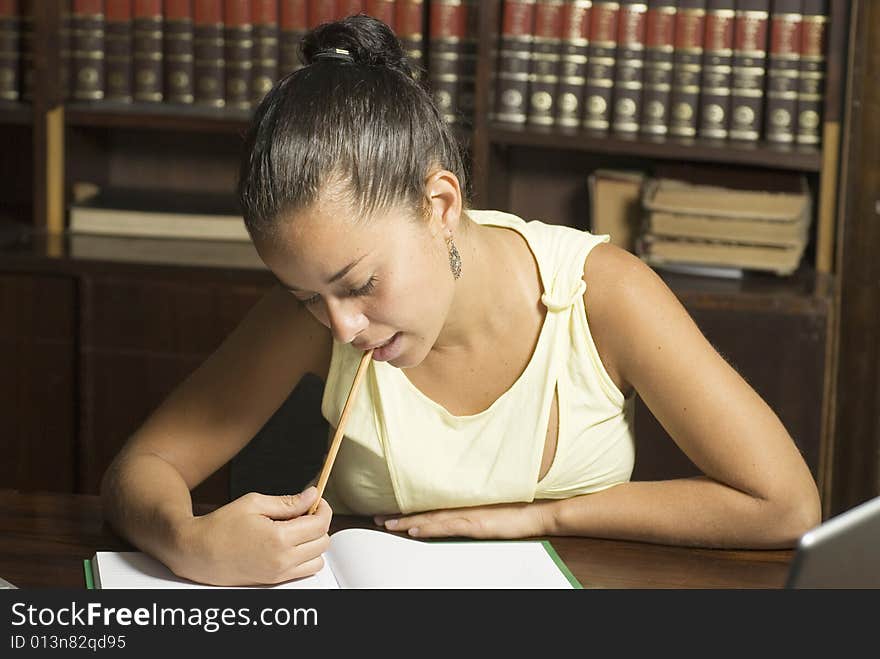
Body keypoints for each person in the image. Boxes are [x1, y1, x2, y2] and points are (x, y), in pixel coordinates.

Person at [101, 15, 821, 587]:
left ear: (440, 203)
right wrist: (190, 539)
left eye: (359, 284)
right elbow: (142, 470)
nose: (342, 325)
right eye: (308, 296)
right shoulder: (315, 316)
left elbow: (784, 505)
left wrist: (541, 517)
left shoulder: (603, 294)